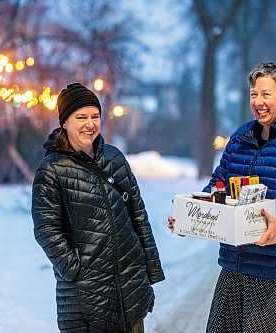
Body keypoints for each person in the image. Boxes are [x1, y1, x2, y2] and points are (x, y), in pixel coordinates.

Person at [168, 63, 276, 333]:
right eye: (254, 94)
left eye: (266, 94)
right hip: (236, 269)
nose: (258, 102)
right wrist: (192, 215)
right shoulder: (240, 137)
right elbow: (219, 182)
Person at [31, 82, 165, 333]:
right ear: (65, 122)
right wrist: (75, 269)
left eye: (95, 116)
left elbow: (138, 215)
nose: (89, 124)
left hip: (130, 283)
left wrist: (149, 268)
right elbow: (46, 230)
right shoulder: (51, 169)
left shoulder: (114, 158)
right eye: (81, 117)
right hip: (86, 293)